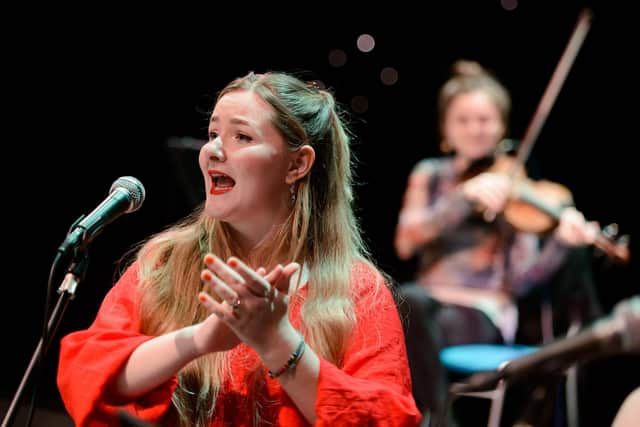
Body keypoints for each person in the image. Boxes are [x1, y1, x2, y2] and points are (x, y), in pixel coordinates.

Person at [57, 71, 422, 426]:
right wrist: (200, 339)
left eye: (242, 137)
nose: (212, 150)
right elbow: (88, 375)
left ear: (297, 164)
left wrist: (278, 344)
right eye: (213, 133)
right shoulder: (167, 261)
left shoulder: (356, 289)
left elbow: (385, 418)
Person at [393, 60, 600, 424]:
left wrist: (560, 246)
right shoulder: (430, 174)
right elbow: (406, 243)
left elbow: (520, 280)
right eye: (463, 120)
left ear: (501, 124)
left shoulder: (513, 185)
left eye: (485, 120)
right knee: (404, 301)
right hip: (425, 308)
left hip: (484, 313)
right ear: (446, 128)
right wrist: (462, 199)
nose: (475, 129)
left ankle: (438, 420)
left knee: (408, 313)